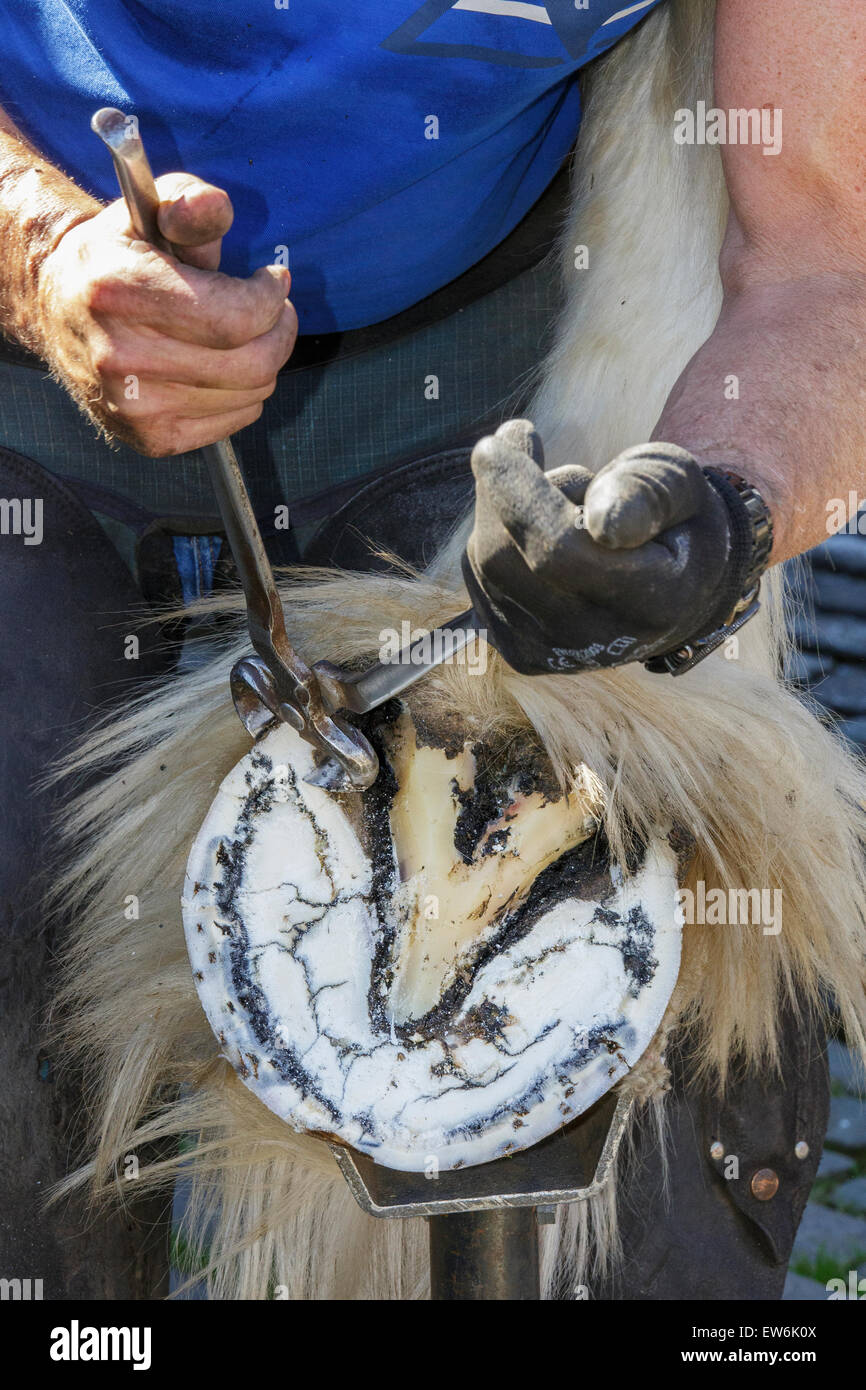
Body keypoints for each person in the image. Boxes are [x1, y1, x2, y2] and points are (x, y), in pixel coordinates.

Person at [0, 0, 864, 1299]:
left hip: (481, 359)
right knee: (22, 1055)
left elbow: (824, 260)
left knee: (651, 1081)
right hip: (23, 373)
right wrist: (42, 254)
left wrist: (711, 514)